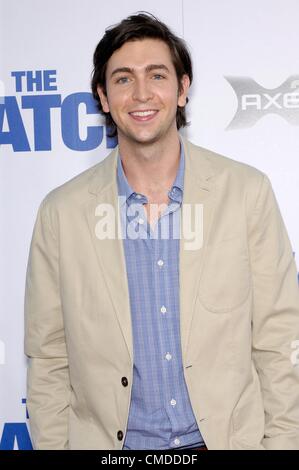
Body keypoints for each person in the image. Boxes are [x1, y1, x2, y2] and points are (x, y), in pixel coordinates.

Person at [24, 12, 299, 450]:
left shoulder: (246, 193)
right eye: (122, 79)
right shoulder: (61, 213)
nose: (141, 93)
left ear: (182, 88)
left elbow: (278, 338)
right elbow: (49, 357)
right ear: (103, 97)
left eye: (156, 75)